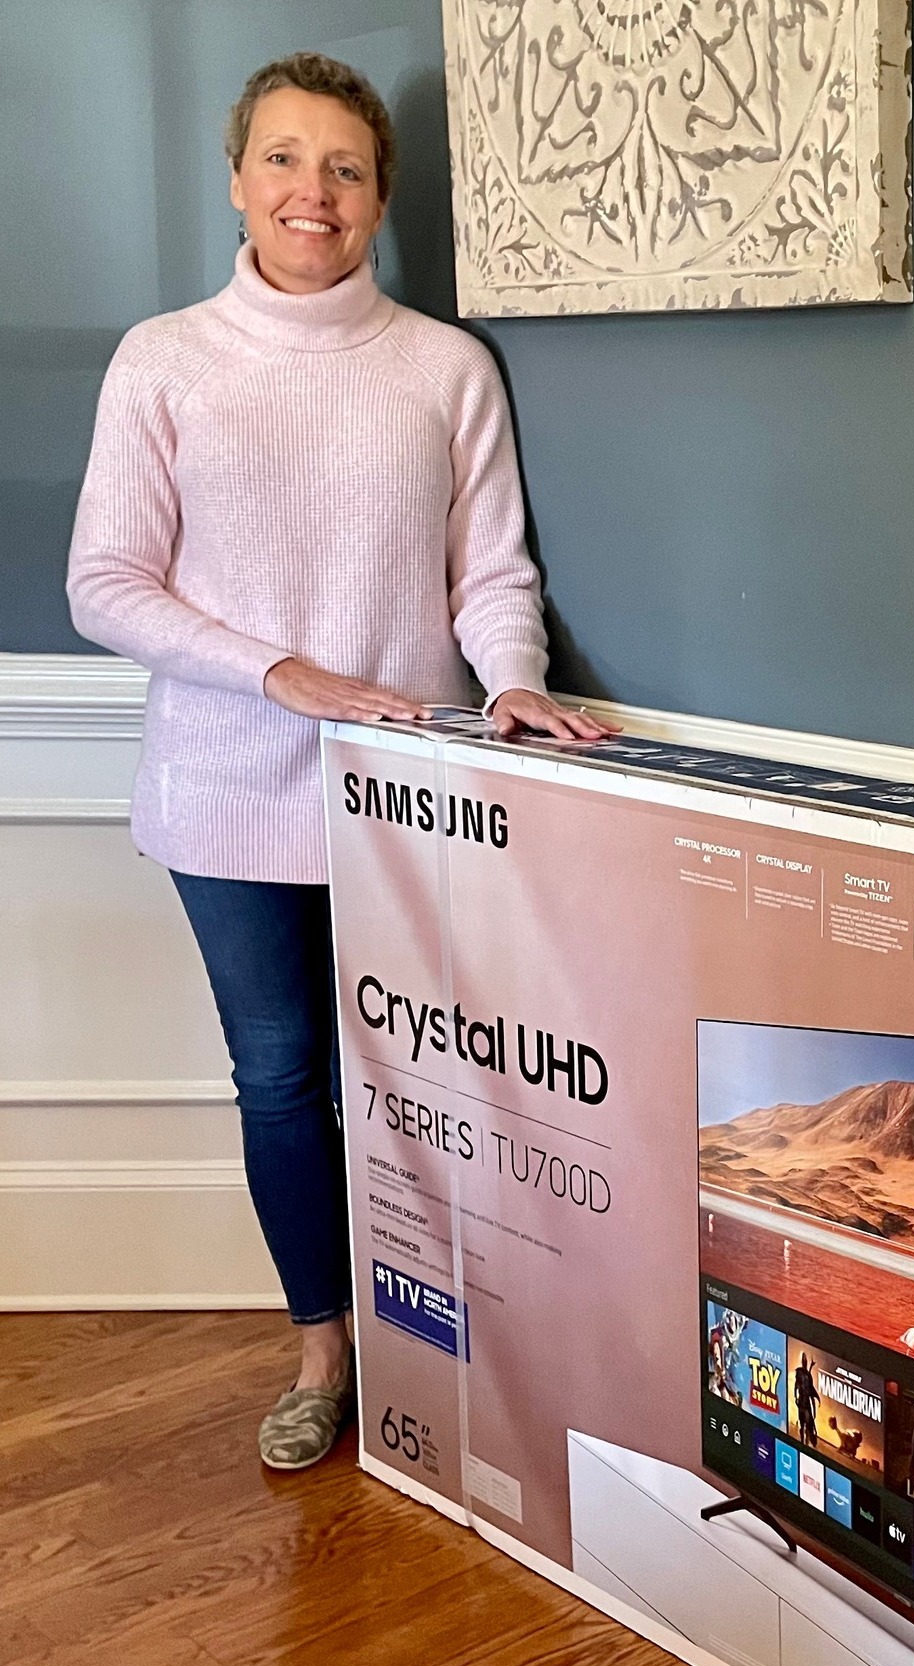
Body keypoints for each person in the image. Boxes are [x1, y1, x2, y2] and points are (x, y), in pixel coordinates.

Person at [66, 52, 611, 1471]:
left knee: (424, 1083)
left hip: (406, 801)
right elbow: (104, 583)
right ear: (237, 180)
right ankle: (325, 1350)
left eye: (346, 168)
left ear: (377, 197)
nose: (313, 191)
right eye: (285, 160)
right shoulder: (164, 360)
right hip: (225, 794)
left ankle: (449, 1345)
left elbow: (491, 573)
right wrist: (279, 672)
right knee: (281, 1079)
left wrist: (513, 684)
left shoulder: (445, 368)